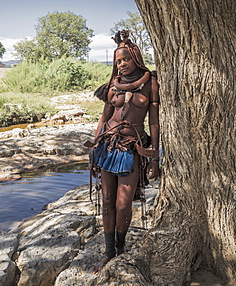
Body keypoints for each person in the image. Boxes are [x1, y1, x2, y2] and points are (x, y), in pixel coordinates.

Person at [89, 30, 160, 274]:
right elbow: (104, 117)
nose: (121, 64)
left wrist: (154, 156)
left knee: (122, 204)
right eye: (117, 61)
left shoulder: (149, 83)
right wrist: (96, 145)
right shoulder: (113, 86)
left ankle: (121, 246)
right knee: (107, 202)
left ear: (136, 58)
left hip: (132, 149)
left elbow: (154, 123)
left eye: (125, 59)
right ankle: (110, 252)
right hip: (108, 147)